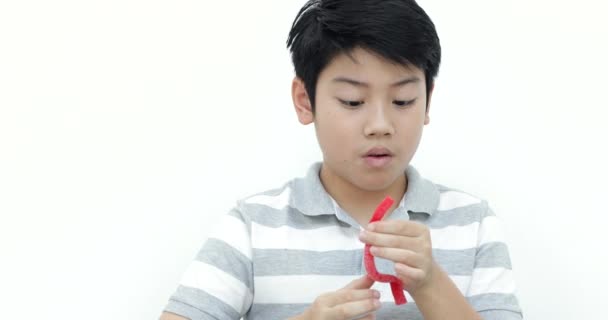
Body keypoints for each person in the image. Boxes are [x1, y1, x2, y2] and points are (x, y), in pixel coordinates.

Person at [160, 0, 523, 319]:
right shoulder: (252, 226)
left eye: (403, 101)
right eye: (352, 101)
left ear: (427, 99)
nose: (380, 126)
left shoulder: (473, 223)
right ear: (305, 101)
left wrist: (430, 283)